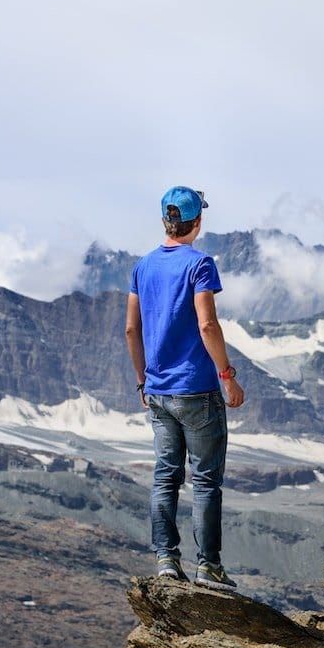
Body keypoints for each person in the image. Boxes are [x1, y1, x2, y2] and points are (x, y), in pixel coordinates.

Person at [124, 185, 246, 589]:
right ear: (198, 221)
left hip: (158, 391)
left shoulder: (142, 268)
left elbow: (131, 329)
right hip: (197, 389)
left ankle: (166, 560)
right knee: (206, 480)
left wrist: (143, 379)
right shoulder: (200, 265)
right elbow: (207, 324)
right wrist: (227, 376)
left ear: (165, 221)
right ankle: (208, 566)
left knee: (165, 476)